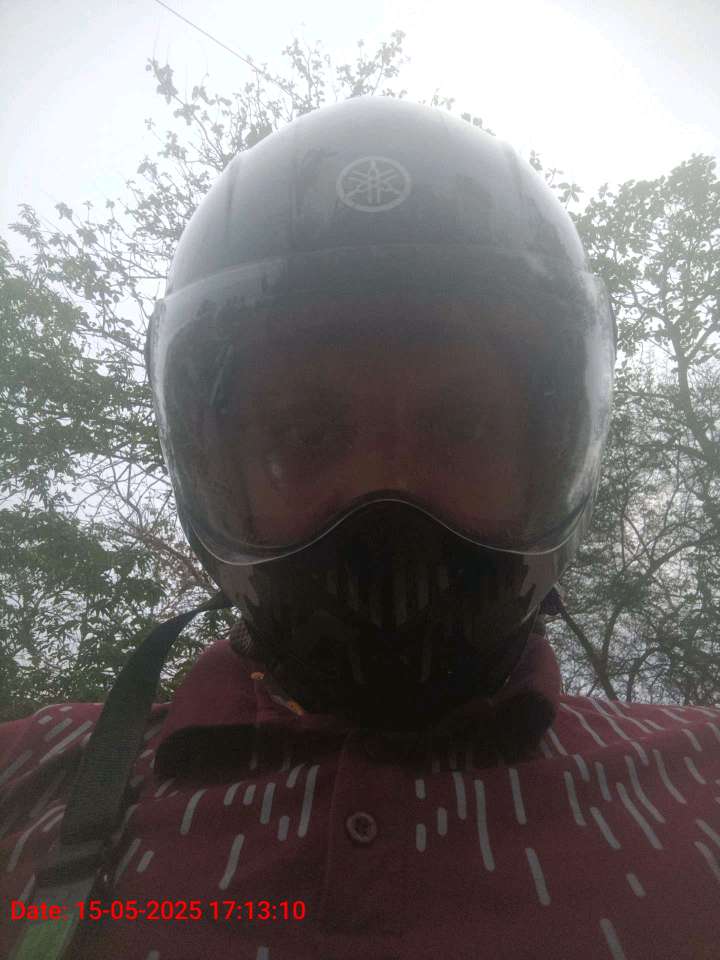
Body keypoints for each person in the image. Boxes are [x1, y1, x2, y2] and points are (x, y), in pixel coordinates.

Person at [1, 95, 719, 960]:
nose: (387, 492)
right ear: (218, 472)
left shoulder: (704, 784)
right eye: (305, 434)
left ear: (549, 457)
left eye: (464, 427)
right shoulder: (35, 778)